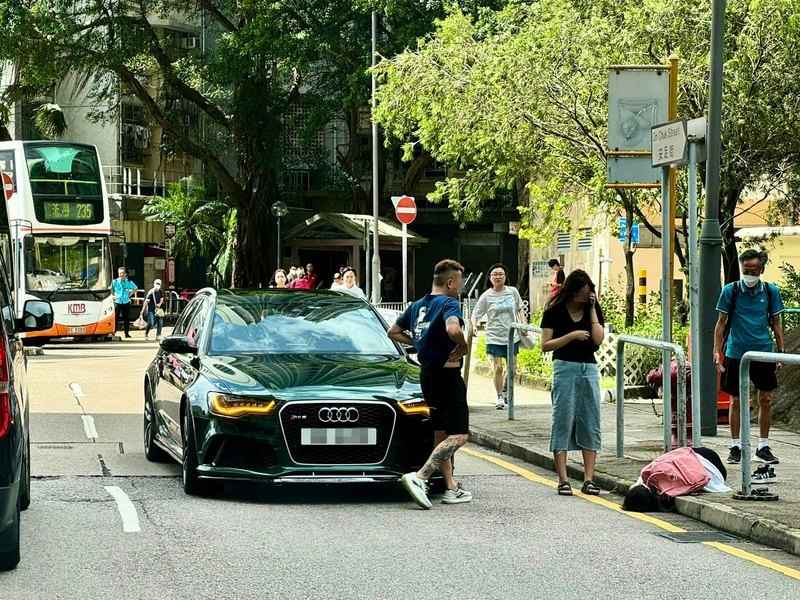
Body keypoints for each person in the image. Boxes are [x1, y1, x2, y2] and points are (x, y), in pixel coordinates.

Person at [389, 259, 472, 508]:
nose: (460, 288)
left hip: (427, 374)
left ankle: (450, 487)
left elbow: (393, 331)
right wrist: (463, 345)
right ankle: (421, 476)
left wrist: (419, 344)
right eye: (459, 283)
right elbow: (453, 328)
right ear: (449, 282)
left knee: (441, 432)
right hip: (447, 375)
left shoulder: (417, 305)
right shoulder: (449, 302)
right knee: (459, 435)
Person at [713, 248, 785, 465]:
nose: (750, 274)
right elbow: (721, 323)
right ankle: (736, 446)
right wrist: (718, 352)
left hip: (763, 350)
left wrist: (780, 352)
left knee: (766, 398)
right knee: (736, 400)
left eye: (754, 270)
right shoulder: (731, 291)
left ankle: (763, 446)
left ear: (761, 269)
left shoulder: (771, 292)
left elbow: (776, 323)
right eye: (746, 270)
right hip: (736, 351)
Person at [540, 269, 605, 496]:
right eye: (582, 295)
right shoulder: (554, 311)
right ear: (572, 292)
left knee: (590, 420)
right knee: (563, 418)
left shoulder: (592, 309)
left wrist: (592, 309)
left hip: (589, 368)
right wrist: (571, 336)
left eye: (589, 294)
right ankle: (563, 478)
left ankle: (589, 478)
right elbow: (545, 345)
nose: (585, 298)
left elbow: (598, 339)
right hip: (564, 367)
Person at [471, 263, 531, 409]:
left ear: (505, 277)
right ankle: (499, 397)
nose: (498, 277)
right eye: (494, 274)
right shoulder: (487, 296)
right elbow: (475, 314)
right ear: (490, 278)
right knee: (497, 367)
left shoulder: (512, 292)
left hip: (512, 336)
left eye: (500, 274)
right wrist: (473, 326)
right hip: (494, 336)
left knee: (512, 368)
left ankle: (505, 390)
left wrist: (523, 325)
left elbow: (519, 310)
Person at [111, 267, 138, 338]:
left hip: (126, 302)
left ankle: (126, 333)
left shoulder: (129, 282)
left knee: (126, 318)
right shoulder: (115, 282)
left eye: (122, 273)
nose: (120, 274)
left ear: (125, 274)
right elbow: (111, 290)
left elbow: (135, 288)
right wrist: (113, 296)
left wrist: (130, 294)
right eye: (119, 273)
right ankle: (114, 332)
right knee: (115, 318)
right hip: (117, 302)